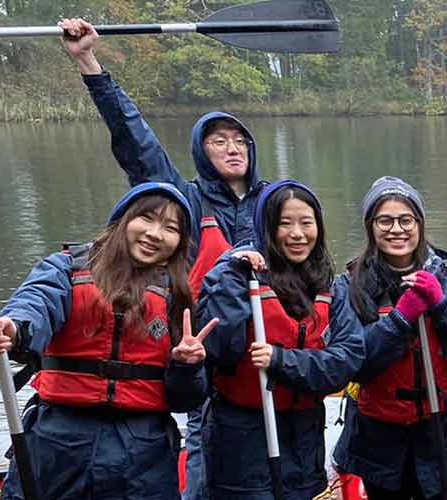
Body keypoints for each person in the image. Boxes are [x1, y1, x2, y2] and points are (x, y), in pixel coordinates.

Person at [60, 19, 271, 497]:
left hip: (262, 350)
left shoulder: (276, 205)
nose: (232, 148)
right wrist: (90, 64)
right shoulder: (186, 201)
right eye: (218, 141)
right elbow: (137, 143)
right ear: (201, 150)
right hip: (200, 345)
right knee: (201, 439)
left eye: (240, 141)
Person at [0, 182, 211, 500]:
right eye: (147, 219)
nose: (155, 234)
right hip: (58, 439)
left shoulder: (176, 296)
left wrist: (186, 366)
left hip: (141, 450)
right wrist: (13, 330)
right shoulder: (66, 269)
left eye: (170, 228)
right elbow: (34, 304)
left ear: (180, 242)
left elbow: (186, 400)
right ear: (122, 221)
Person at [332, 177, 447, 500]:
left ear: (420, 224)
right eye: (385, 220)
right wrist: (399, 319)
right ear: (371, 227)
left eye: (406, 219)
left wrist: (442, 307)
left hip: (441, 432)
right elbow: (350, 364)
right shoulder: (349, 286)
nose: (397, 229)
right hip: (378, 437)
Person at [197, 180, 365, 499]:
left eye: (306, 223)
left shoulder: (334, 288)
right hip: (241, 435)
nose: (298, 234)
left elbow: (345, 361)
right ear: (267, 227)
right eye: (285, 224)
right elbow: (220, 348)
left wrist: (280, 360)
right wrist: (231, 275)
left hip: (303, 435)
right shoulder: (238, 275)